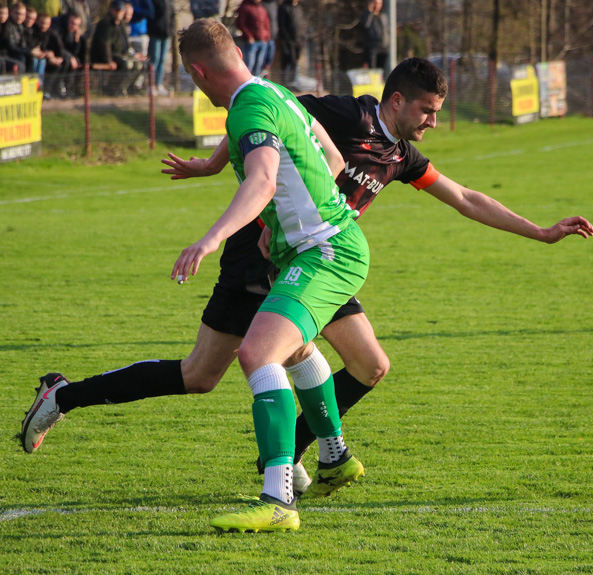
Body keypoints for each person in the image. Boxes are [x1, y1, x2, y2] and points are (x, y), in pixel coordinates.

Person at [21, 58, 593, 499]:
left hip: (317, 261)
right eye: (426, 110)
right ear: (396, 100)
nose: (433, 122)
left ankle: (302, 455)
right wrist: (216, 163)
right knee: (202, 375)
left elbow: (465, 198)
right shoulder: (348, 115)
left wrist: (541, 232)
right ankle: (65, 396)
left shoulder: (401, 157)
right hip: (259, 256)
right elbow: (269, 109)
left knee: (369, 365)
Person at [27, 18, 369, 534]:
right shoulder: (273, 94)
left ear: (195, 71)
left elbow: (262, 177)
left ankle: (278, 498)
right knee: (236, 365)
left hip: (324, 252)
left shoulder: (250, 107)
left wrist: (211, 239)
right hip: (310, 249)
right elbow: (333, 156)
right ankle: (333, 456)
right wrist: (244, 198)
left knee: (259, 354)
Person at [90, 0, 146, 96]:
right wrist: (108, 61)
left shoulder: (121, 24)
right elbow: (104, 45)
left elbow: (126, 44)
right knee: (127, 64)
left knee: (140, 64)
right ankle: (114, 89)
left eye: (121, 11)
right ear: (112, 10)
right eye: (117, 11)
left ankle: (130, 88)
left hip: (121, 55)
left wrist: (133, 54)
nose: (119, 13)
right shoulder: (105, 24)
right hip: (110, 56)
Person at [234, 0, 269, 76]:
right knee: (249, 64)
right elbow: (240, 23)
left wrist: (266, 36)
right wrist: (249, 36)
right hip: (251, 42)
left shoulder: (262, 8)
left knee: (259, 64)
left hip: (262, 41)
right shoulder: (245, 7)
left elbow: (266, 23)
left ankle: (256, 82)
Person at [146, 0, 172, 95]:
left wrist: (170, 30)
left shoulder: (169, 2)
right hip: (155, 33)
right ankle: (151, 86)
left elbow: (171, 16)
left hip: (166, 34)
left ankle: (159, 84)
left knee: (162, 60)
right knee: (154, 59)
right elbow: (151, 15)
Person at [276, 0, 303, 85]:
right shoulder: (283, 7)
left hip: (299, 40)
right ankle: (286, 83)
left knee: (296, 61)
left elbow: (302, 23)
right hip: (288, 41)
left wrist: (303, 36)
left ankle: (294, 82)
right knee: (289, 61)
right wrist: (287, 39)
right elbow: (281, 25)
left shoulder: (298, 8)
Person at [359, 0, 387, 72]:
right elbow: (365, 25)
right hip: (372, 47)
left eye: (379, 3)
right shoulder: (367, 15)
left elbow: (386, 31)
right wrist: (370, 12)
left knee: (382, 70)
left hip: (383, 47)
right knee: (372, 70)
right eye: (376, 3)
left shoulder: (383, 16)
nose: (377, 5)